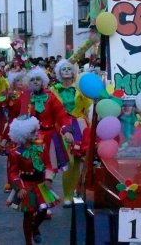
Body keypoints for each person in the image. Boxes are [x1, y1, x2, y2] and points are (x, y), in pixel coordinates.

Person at [6, 115, 60, 245]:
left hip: (40, 184)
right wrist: (19, 188)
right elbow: (12, 172)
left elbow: (48, 164)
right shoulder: (15, 153)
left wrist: (48, 178)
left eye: (36, 130)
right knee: (28, 215)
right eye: (32, 132)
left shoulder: (41, 148)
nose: (37, 133)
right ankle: (28, 242)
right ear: (22, 135)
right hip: (26, 186)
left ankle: (35, 228)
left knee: (43, 210)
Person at [50, 59, 91, 207]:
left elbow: (88, 106)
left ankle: (76, 192)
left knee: (80, 161)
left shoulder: (80, 89)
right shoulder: (54, 90)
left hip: (79, 124)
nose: (66, 71)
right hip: (62, 126)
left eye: (69, 69)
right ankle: (67, 194)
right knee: (69, 161)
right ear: (59, 73)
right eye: (63, 69)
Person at [25, 67, 71, 175]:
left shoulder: (50, 96)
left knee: (50, 168)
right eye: (32, 80)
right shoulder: (26, 98)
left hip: (50, 137)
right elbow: (20, 117)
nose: (35, 81)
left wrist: (67, 130)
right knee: (32, 167)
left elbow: (61, 115)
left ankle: (47, 188)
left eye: (38, 79)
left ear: (43, 82)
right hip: (31, 138)